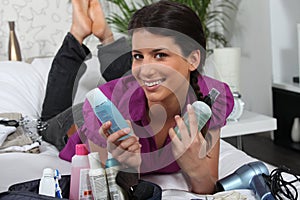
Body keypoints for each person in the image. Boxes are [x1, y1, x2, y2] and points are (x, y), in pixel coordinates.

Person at [42, 0, 234, 194]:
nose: (145, 69)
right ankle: (77, 33)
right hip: (74, 123)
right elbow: (108, 190)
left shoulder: (211, 100)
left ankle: (106, 36)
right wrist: (128, 169)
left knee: (140, 79)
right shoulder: (106, 112)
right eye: (137, 56)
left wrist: (197, 170)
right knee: (45, 122)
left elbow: (207, 186)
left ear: (193, 59)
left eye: (160, 55)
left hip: (134, 94)